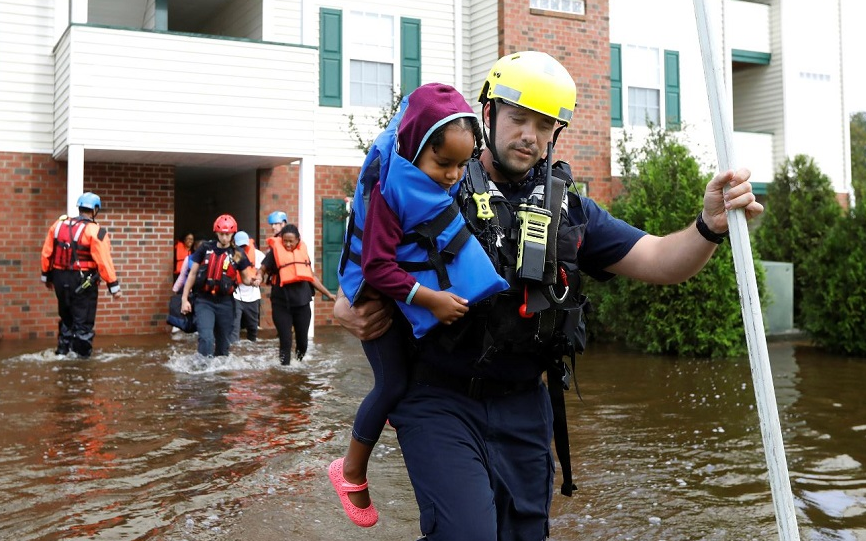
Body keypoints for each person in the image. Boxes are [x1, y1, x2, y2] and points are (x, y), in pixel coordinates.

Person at [333, 50, 764, 540]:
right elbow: (364, 256)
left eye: (544, 125)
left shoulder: (572, 209)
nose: (529, 136)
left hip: (524, 402)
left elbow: (661, 260)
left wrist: (709, 225)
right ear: (488, 114)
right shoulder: (436, 184)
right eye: (518, 119)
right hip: (438, 398)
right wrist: (345, 304)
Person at [327, 82, 509, 528]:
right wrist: (433, 300)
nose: (452, 175)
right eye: (442, 163)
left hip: (400, 308)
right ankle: (349, 470)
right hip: (375, 303)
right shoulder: (393, 193)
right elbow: (375, 267)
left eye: (461, 165)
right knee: (390, 386)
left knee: (405, 382)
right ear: (413, 149)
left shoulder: (428, 177)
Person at [40, 192, 122, 358]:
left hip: (59, 278)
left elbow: (47, 252)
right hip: (83, 281)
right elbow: (104, 261)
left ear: (79, 208)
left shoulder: (58, 225)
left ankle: (62, 353)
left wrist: (47, 277)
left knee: (66, 318)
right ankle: (81, 363)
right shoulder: (95, 231)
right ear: (95, 210)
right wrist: (114, 287)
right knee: (83, 323)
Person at [181, 215, 258, 357]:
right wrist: (184, 299)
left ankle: (219, 375)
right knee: (206, 338)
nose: (224, 238)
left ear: (232, 234)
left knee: (223, 346)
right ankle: (203, 369)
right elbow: (192, 274)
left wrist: (254, 281)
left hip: (226, 302)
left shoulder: (237, 253)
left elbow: (246, 278)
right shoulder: (205, 248)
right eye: (221, 234)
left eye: (227, 234)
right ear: (216, 233)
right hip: (204, 300)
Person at [258, 223, 335, 365]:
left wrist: (329, 294)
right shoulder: (274, 253)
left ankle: (298, 365)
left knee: (302, 343)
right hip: (281, 304)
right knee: (285, 340)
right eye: (284, 241)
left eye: (290, 241)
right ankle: (285, 373)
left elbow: (311, 277)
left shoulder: (302, 254)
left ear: (298, 240)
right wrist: (258, 278)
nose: (287, 244)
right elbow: (262, 269)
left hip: (302, 304)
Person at [230, 231, 266, 343]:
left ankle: (251, 353)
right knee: (234, 329)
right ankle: (234, 351)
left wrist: (259, 279)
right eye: (239, 245)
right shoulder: (231, 255)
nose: (242, 248)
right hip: (235, 296)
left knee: (252, 328)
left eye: (244, 245)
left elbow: (263, 272)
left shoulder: (258, 255)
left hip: (253, 297)